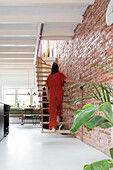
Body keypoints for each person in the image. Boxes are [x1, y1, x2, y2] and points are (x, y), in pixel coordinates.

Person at [46, 62, 78, 131]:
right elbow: (67, 80)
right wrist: (75, 81)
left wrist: (47, 95)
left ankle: (53, 125)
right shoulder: (60, 75)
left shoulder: (49, 76)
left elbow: (46, 87)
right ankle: (58, 118)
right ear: (57, 68)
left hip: (51, 92)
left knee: (52, 109)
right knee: (58, 106)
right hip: (59, 91)